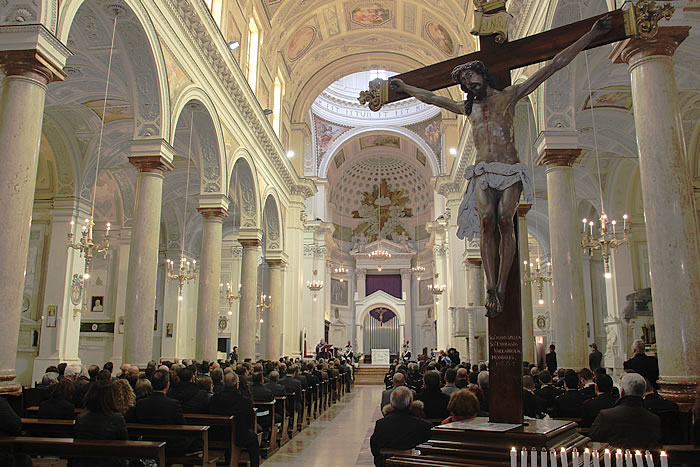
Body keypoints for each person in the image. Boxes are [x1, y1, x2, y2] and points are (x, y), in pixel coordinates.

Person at [389, 16, 612, 316]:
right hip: (482, 171)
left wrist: (590, 34)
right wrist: (404, 86)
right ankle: (491, 285)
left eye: (470, 78)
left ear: (483, 75)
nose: (467, 84)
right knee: (486, 223)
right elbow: (431, 98)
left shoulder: (509, 96)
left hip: (509, 169)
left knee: (506, 220)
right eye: (463, 83)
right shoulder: (468, 108)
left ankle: (502, 287)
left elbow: (554, 65)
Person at [590, 373, 662, 449]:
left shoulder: (606, 416)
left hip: (613, 459)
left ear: (622, 392)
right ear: (644, 393)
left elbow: (593, 437)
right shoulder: (654, 419)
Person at [370, 386, 433, 467]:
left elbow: (375, 449)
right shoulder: (424, 426)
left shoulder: (381, 425)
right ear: (411, 404)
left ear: (391, 404)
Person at [208, 373, 260, 467]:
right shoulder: (244, 400)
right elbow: (250, 420)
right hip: (238, 435)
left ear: (223, 382)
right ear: (237, 384)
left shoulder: (214, 398)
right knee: (253, 437)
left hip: (217, 434)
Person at [74, 380, 128, 467]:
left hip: (85, 462)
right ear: (111, 397)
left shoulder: (81, 418)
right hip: (109, 462)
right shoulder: (117, 418)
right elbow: (124, 442)